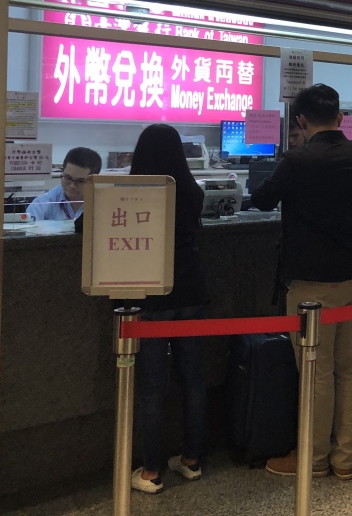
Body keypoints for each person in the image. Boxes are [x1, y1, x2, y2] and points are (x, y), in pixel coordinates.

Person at [252, 84, 352, 480]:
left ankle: (314, 459)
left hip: (312, 283)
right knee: (347, 367)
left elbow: (261, 199)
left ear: (300, 120)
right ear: (340, 117)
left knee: (316, 371)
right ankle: (345, 458)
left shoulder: (298, 159)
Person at [128, 125, 209, 495]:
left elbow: (87, 226)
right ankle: (191, 460)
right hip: (191, 292)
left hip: (151, 295)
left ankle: (151, 471)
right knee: (194, 379)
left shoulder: (133, 193)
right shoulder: (192, 192)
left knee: (152, 386)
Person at [26, 147, 101, 221]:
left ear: (93, 181)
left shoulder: (102, 203)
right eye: (68, 178)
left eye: (80, 181)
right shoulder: (42, 203)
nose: (72, 186)